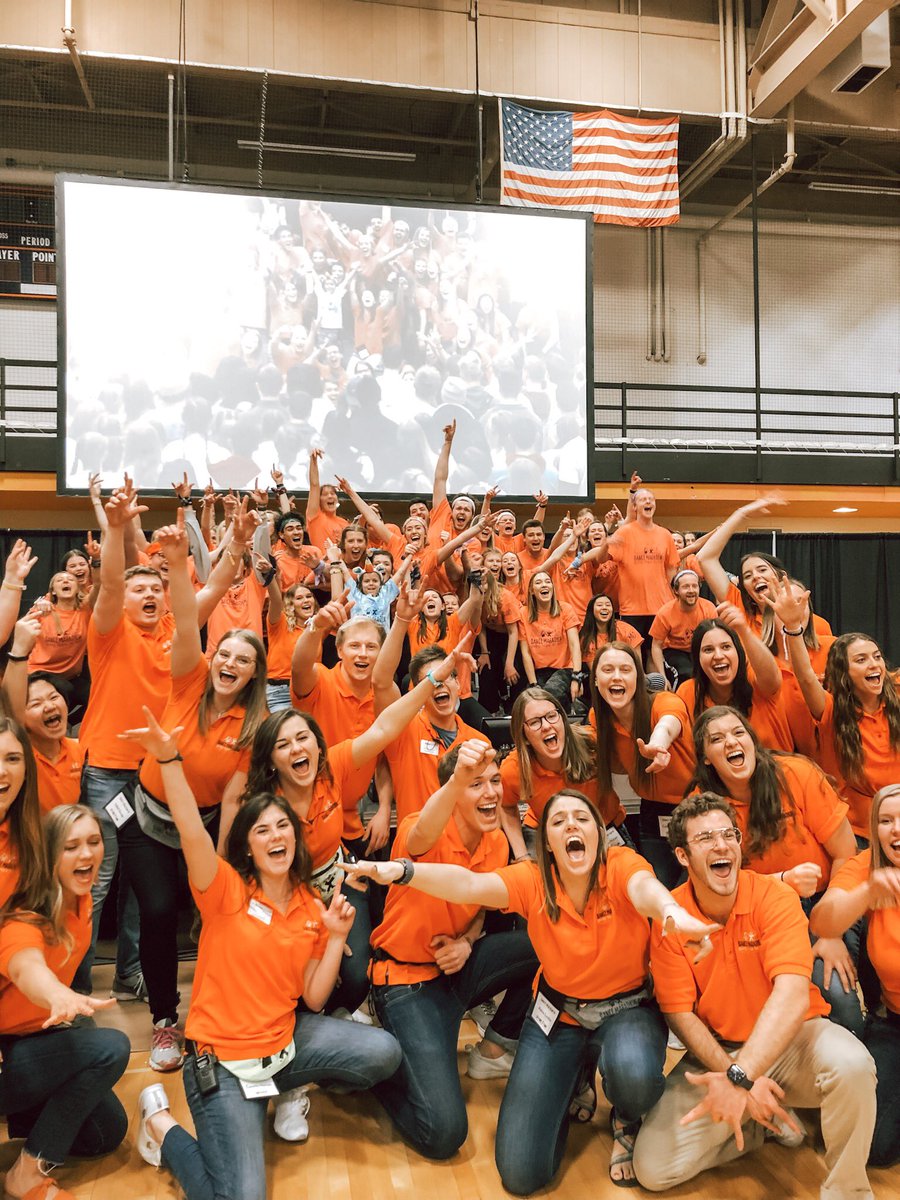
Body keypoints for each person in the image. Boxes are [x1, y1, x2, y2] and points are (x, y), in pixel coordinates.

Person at [345, 776, 716, 1189]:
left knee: (635, 1075)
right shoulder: (532, 879)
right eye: (558, 822)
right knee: (521, 1173)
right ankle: (576, 1075)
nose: (572, 826)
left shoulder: (622, 865)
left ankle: (626, 1118)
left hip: (626, 1010)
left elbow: (647, 891)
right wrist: (399, 870)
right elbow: (467, 884)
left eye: (582, 818)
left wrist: (672, 913)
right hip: (559, 1013)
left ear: (598, 833)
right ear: (548, 843)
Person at [124, 709, 401, 1200]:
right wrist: (168, 759)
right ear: (247, 847)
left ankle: (283, 1093)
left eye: (284, 828)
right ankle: (163, 1127)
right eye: (263, 831)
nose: (277, 837)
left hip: (284, 1046)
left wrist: (336, 935)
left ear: (297, 838)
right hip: (223, 1061)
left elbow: (315, 999)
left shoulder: (311, 907)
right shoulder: (224, 889)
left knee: (383, 1052)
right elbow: (190, 830)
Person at [632, 792, 877, 1198]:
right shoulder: (670, 917)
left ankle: (849, 1190)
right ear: (681, 856)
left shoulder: (775, 896)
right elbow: (680, 1013)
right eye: (705, 838)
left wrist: (741, 1077)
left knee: (853, 1064)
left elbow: (793, 996)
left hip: (795, 1039)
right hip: (719, 1050)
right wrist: (735, 1077)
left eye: (728, 834)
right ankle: (760, 1122)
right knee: (653, 1169)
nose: (721, 845)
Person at [75, 487, 258, 999]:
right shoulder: (108, 631)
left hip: (162, 779)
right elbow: (110, 583)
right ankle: (75, 982)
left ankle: (133, 975)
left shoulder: (179, 632)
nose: (152, 595)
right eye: (142, 590)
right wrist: (114, 529)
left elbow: (218, 582)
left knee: (144, 892)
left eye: (158, 586)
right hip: (111, 774)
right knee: (96, 879)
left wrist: (238, 546)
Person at [241, 632, 479, 1024]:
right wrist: (315, 920)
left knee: (355, 974)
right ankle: (292, 1030)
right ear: (270, 761)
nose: (298, 749)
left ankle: (333, 1025)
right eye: (284, 745)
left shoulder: (330, 767)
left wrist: (436, 678)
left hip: (338, 878)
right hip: (284, 897)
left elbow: (385, 728)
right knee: (295, 972)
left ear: (319, 746)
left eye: (304, 739)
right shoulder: (261, 807)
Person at [119, 513, 270, 1071]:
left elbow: (233, 798)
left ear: (254, 674)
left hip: (206, 824)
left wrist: (225, 859)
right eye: (225, 655)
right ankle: (164, 1021)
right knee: (158, 910)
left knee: (214, 912)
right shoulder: (189, 674)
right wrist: (188, 560)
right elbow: (186, 616)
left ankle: (214, 1012)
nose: (229, 664)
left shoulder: (253, 728)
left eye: (243, 661)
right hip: (148, 816)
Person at [342, 742, 538, 1160]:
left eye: (494, 782)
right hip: (404, 984)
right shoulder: (423, 826)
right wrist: (455, 778)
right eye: (475, 784)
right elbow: (421, 833)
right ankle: (377, 1070)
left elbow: (481, 911)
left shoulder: (497, 843)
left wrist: (467, 942)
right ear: (453, 789)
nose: (490, 793)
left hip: (454, 973)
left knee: (543, 944)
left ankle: (495, 1046)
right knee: (445, 1133)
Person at [690, 706, 862, 1034]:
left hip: (824, 903)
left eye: (738, 733)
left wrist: (832, 931)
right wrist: (782, 881)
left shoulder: (796, 774)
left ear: (752, 741)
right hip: (755, 913)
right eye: (717, 739)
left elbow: (846, 854)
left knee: (840, 1003)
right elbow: (710, 884)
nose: (730, 742)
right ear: (706, 757)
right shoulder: (704, 806)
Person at [0, 804, 130, 1200]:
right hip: (7, 1051)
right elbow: (27, 967)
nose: (87, 854)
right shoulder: (25, 917)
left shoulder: (81, 900)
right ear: (49, 856)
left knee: (108, 1132)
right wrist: (59, 995)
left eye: (93, 842)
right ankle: (25, 1174)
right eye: (71, 847)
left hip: (36, 1036)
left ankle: (24, 1114)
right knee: (110, 1047)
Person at [766, 579, 900, 842]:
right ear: (843, 674)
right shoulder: (831, 710)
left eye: (876, 656)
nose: (874, 664)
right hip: (861, 836)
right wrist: (793, 627)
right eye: (861, 660)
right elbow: (805, 677)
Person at [810, 783, 900, 1167]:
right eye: (885, 821)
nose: (895, 829)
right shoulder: (867, 867)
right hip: (892, 1021)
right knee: (873, 1147)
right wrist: (865, 894)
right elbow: (822, 919)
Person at [373, 587, 490, 825]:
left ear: (458, 683)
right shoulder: (403, 731)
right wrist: (402, 619)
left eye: (446, 676)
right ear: (417, 690)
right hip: (417, 853)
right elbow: (381, 682)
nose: (438, 684)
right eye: (432, 680)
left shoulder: (479, 742)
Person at [590, 642, 695, 888]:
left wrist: (657, 745)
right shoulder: (599, 718)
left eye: (626, 669)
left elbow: (669, 723)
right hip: (652, 813)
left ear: (639, 678)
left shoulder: (663, 701)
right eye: (608, 670)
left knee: (691, 891)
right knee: (659, 888)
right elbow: (614, 766)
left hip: (695, 805)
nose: (617, 676)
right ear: (595, 680)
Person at [499, 687, 628, 860]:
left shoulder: (590, 742)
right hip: (545, 833)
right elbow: (506, 807)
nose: (546, 726)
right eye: (535, 722)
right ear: (524, 736)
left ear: (562, 719)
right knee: (535, 881)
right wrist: (522, 855)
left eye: (551, 716)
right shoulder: (514, 768)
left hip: (605, 827)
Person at [3, 618, 86, 814]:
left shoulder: (79, 750)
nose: (49, 706)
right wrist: (19, 652)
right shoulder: (19, 754)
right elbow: (11, 712)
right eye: (36, 703)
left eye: (53, 697)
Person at [677, 611, 792, 753]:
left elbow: (772, 679)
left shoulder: (754, 679)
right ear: (698, 659)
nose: (718, 656)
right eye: (708, 650)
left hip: (775, 770)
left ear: (739, 652)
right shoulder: (689, 691)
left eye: (726, 647)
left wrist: (744, 630)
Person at [601, 480, 679, 659]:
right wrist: (606, 544)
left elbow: (671, 571)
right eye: (643, 499)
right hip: (632, 608)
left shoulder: (665, 534)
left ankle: (659, 687)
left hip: (660, 607)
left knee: (655, 654)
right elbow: (601, 559)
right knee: (634, 656)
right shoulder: (624, 532)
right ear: (634, 506)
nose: (648, 502)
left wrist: (673, 600)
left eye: (651, 499)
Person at [517, 570, 582, 709]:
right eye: (538, 582)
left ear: (553, 587)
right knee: (530, 701)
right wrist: (533, 684)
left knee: (550, 694)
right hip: (539, 671)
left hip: (565, 669)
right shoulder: (524, 613)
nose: (544, 585)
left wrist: (577, 678)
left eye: (547, 581)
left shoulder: (565, 609)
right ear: (532, 591)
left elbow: (574, 645)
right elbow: (525, 653)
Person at [648, 569, 718, 685]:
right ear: (676, 591)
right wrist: (663, 677)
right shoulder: (665, 613)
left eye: (694, 586)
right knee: (687, 674)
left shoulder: (709, 608)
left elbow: (715, 637)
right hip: (675, 651)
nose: (691, 590)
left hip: (700, 649)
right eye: (686, 587)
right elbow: (656, 645)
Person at [578, 593, 642, 667]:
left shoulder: (625, 629)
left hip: (628, 672)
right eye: (599, 605)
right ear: (591, 610)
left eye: (608, 605)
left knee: (655, 677)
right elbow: (595, 670)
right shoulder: (586, 637)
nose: (604, 607)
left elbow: (637, 664)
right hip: (602, 675)